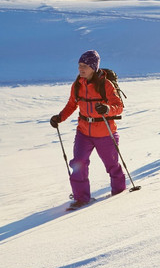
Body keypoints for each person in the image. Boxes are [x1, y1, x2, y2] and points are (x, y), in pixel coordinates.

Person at [50, 50, 125, 209]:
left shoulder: (106, 85)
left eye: (84, 66)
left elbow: (119, 107)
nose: (80, 69)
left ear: (93, 67)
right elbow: (72, 104)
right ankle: (81, 198)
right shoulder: (78, 84)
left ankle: (119, 194)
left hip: (105, 133)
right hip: (83, 132)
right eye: (79, 65)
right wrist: (59, 117)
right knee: (78, 163)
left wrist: (107, 109)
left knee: (112, 165)